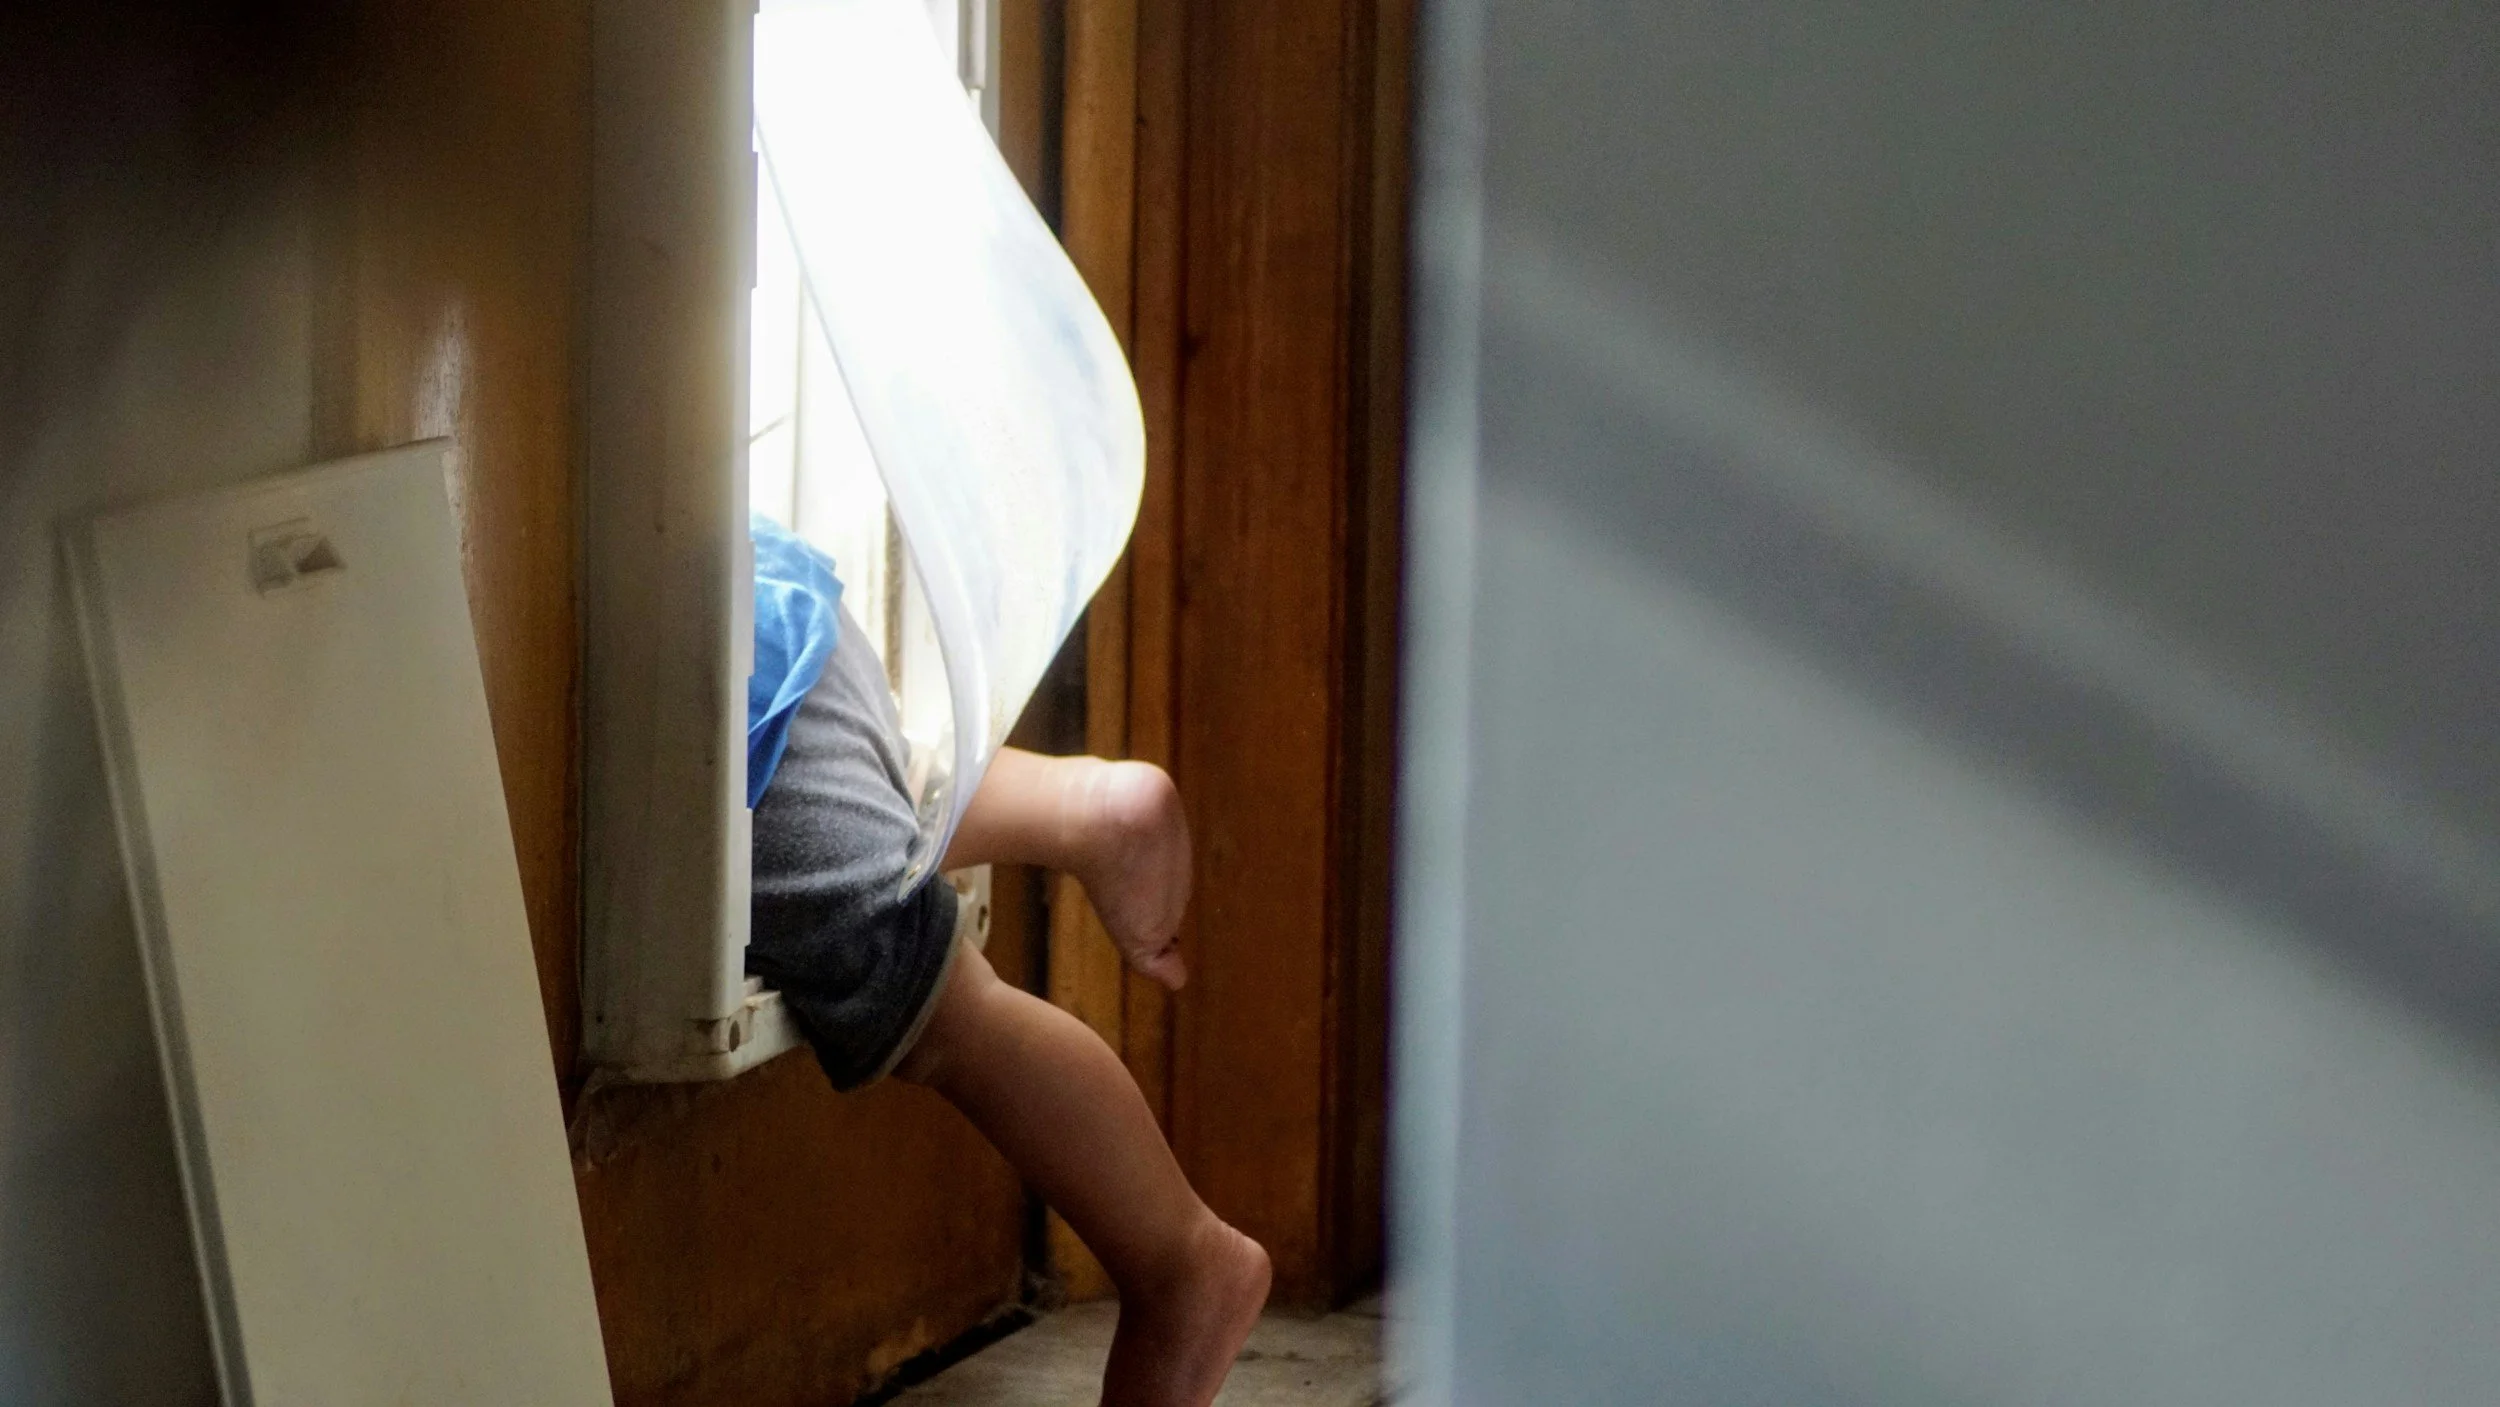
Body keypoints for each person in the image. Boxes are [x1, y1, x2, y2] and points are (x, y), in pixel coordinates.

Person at [741, 516, 1271, 1407]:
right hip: (775, 603)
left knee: (942, 1009)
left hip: (742, 692)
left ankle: (1183, 1260)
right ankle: (1073, 805)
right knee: (869, 799)